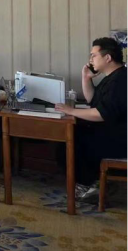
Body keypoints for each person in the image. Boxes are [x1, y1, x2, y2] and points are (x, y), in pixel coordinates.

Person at [55, 37, 128, 201]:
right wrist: (86, 77)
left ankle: (88, 185)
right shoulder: (111, 77)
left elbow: (101, 113)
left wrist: (71, 110)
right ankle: (92, 183)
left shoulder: (121, 80)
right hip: (110, 133)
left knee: (69, 144)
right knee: (71, 136)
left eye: (94, 55)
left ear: (107, 58)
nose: (90, 60)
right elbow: (93, 101)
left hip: (120, 139)